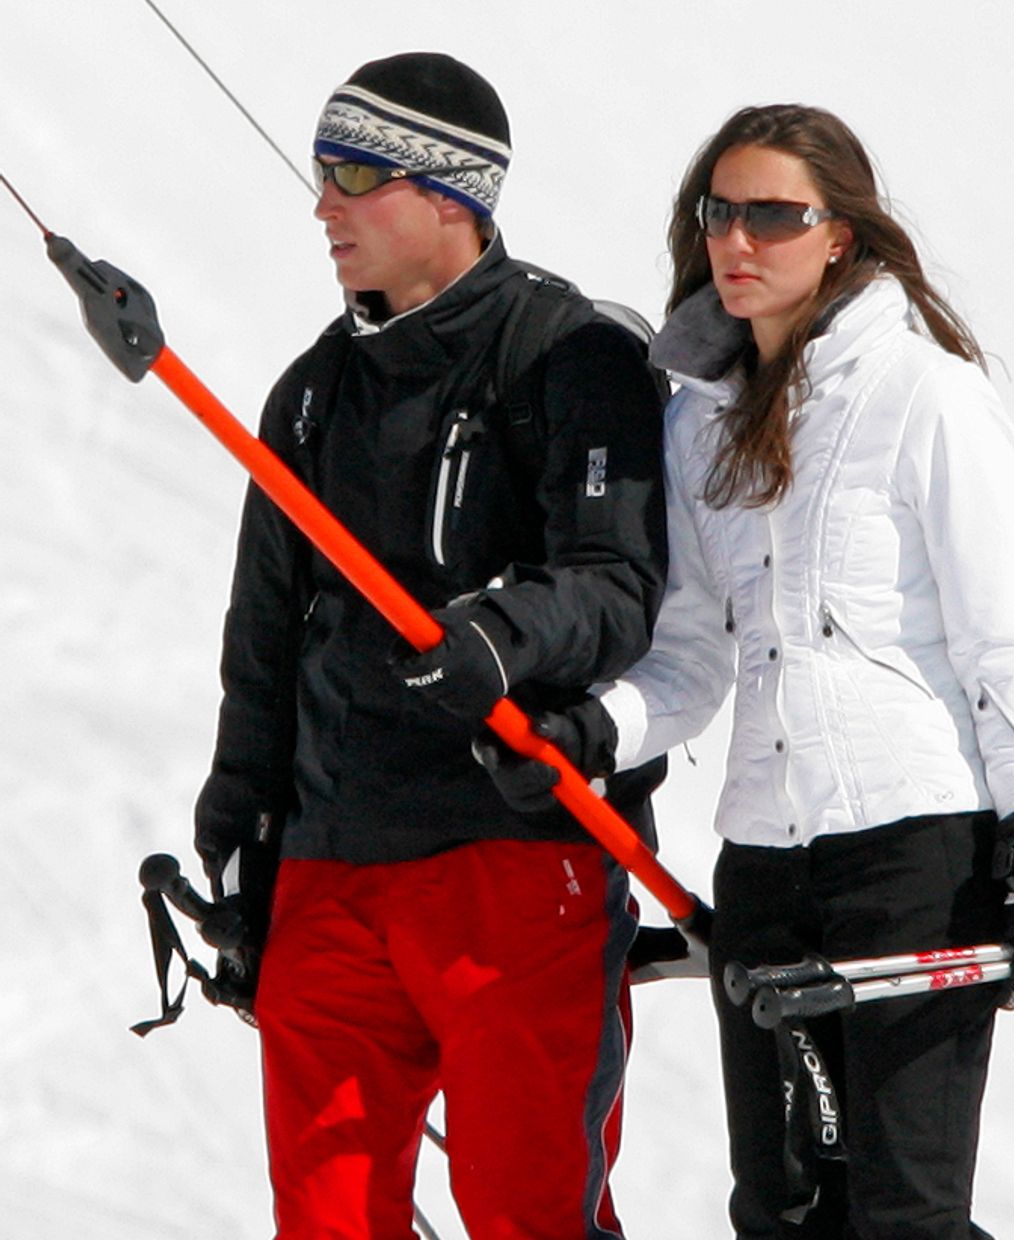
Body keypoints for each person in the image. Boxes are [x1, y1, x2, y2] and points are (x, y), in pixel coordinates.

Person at [479, 104, 1014, 1239]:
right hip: (766, 860)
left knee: (903, 1212)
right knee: (781, 1210)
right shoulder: (694, 429)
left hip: (915, 854)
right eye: (722, 212)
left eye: (774, 215)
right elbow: (689, 656)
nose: (737, 240)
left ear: (841, 236)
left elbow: (1001, 642)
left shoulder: (927, 398)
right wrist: (588, 732)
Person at [193, 52, 668, 1240]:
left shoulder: (568, 356)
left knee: (527, 1211)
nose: (323, 208)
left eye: (355, 175)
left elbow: (618, 585)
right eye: (319, 174)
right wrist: (241, 840)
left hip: (514, 859)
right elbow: (262, 642)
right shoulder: (311, 394)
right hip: (333, 867)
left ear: (453, 194)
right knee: (328, 1216)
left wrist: (494, 641)